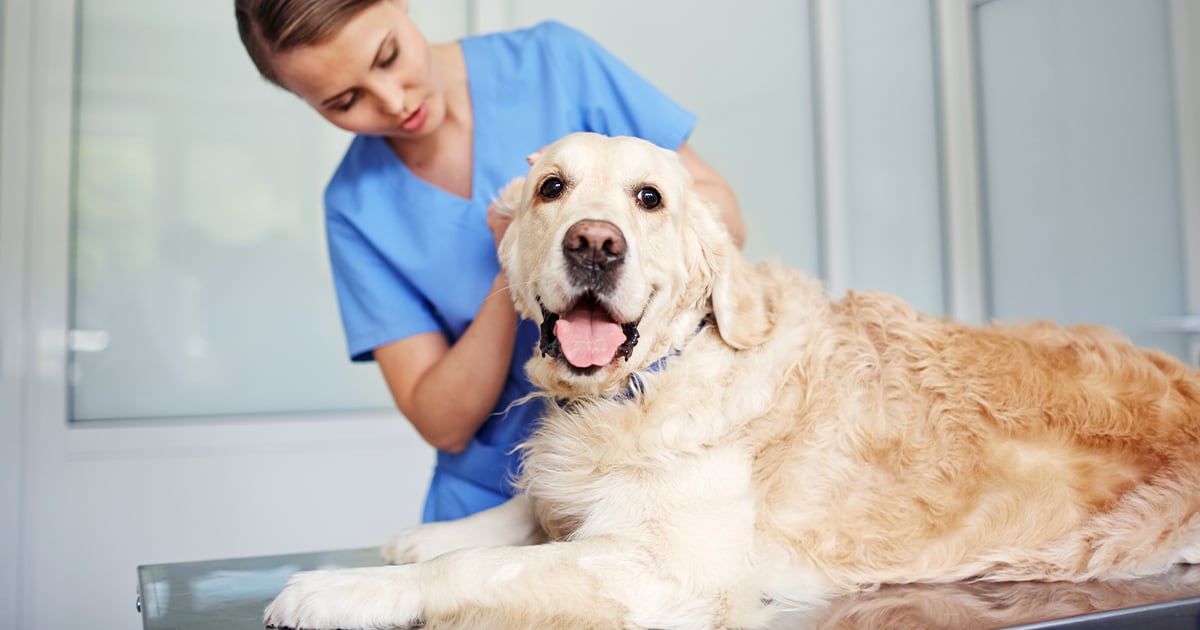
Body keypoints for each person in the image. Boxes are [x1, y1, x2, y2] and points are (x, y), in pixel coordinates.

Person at [234, 0, 746, 523]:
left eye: (388, 56)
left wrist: (606, 187)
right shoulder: (355, 207)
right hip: (486, 500)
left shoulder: (556, 62)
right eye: (344, 101)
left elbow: (726, 220)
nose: (390, 101)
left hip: (638, 471)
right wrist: (519, 254)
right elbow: (441, 422)